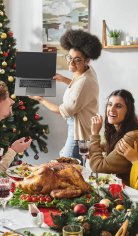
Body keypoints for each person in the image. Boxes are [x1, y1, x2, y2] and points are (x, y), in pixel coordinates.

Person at [29, 29, 102, 162]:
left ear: (87, 60)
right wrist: (65, 80)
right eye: (69, 57)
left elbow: (64, 111)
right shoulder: (86, 73)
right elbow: (80, 88)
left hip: (78, 133)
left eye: (77, 60)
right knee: (74, 170)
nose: (71, 63)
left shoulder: (84, 82)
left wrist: (40, 99)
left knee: (65, 168)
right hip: (82, 129)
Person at [89, 89, 138, 185]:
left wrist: (95, 134)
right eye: (109, 104)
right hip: (120, 187)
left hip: (132, 193)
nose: (111, 110)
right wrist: (96, 148)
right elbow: (112, 146)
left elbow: (98, 167)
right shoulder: (119, 130)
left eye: (118, 106)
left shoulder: (130, 137)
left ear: (128, 111)